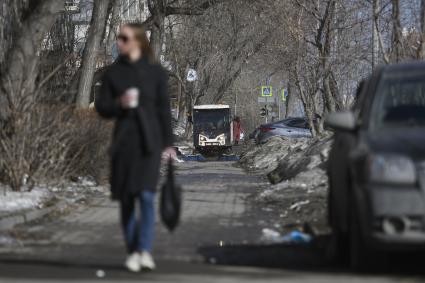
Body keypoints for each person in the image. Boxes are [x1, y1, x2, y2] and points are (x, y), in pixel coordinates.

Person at [95, 23, 176, 272]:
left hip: (149, 144)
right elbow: (102, 108)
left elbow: (164, 111)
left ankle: (144, 250)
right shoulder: (113, 73)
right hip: (123, 144)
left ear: (138, 41)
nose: (119, 42)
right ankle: (132, 251)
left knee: (147, 196)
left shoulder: (156, 73)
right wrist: (119, 103)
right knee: (127, 199)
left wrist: (169, 144)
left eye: (124, 38)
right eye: (118, 38)